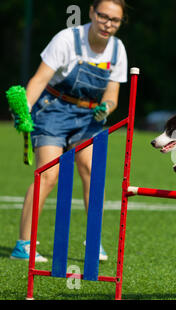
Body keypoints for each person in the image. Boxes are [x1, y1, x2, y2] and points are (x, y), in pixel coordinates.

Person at [10, 0, 128, 262]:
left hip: (89, 116)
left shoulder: (118, 50)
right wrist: (24, 110)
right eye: (103, 16)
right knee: (49, 174)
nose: (108, 24)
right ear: (91, 12)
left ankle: (93, 242)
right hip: (53, 110)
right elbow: (40, 79)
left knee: (90, 170)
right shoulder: (66, 39)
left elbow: (112, 97)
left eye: (115, 20)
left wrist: (105, 109)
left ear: (120, 23)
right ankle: (24, 245)